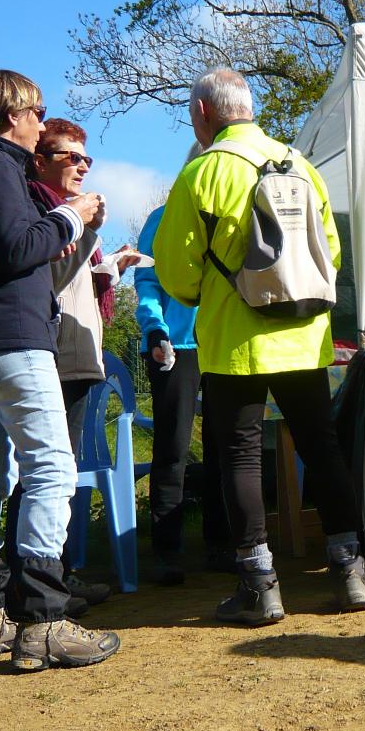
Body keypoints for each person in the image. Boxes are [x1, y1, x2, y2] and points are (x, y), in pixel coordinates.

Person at [154, 67, 365, 625]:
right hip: (305, 335)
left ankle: (259, 583)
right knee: (322, 448)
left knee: (241, 455)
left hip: (235, 339)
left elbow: (176, 276)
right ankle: (350, 572)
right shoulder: (301, 164)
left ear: (203, 114)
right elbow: (333, 256)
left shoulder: (202, 173)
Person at [0, 69, 120, 670]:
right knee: (52, 470)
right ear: (11, 112)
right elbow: (16, 250)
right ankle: (43, 620)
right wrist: (71, 216)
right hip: (9, 343)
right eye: (38, 111)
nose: (42, 124)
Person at [1, 118, 140, 613]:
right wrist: (84, 227)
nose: (82, 165)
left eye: (87, 158)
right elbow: (48, 281)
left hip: (77, 355)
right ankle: (27, 584)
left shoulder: (64, 211)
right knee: (42, 473)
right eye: (70, 156)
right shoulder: (41, 210)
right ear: (39, 160)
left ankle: (54, 573)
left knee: (58, 473)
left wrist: (109, 267)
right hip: (50, 355)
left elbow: (76, 282)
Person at [135, 148, 232, 585]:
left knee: (225, 444)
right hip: (174, 346)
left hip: (224, 339)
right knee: (172, 446)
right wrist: (156, 330)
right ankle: (167, 551)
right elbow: (147, 282)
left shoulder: (233, 213)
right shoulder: (164, 217)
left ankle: (222, 542)